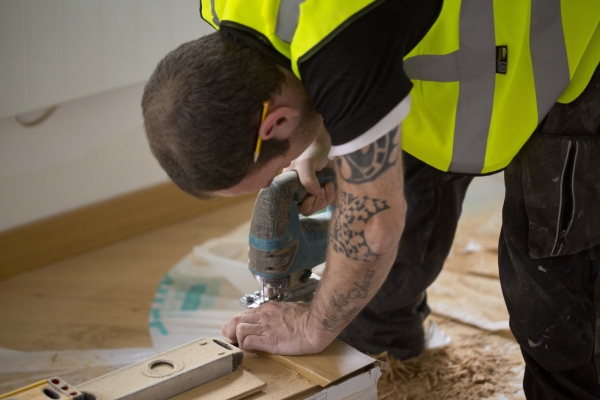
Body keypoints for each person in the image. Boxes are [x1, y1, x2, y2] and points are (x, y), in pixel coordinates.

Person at [141, 0, 600, 397]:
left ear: (275, 123)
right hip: (433, 79)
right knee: (374, 291)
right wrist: (327, 134)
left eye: (266, 173)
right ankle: (389, 353)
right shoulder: (226, 9)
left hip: (562, 49)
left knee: (555, 304)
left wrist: (312, 325)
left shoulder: (343, 46)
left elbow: (375, 228)